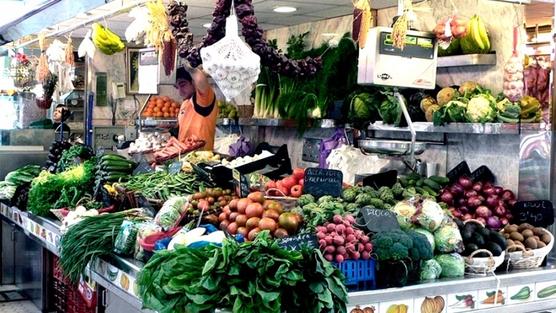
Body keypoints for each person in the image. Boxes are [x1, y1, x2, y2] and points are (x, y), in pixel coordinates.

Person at [175, 66, 218, 151]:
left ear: (193, 82)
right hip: (183, 156)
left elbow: (201, 81)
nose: (180, 91)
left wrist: (191, 68)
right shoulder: (185, 103)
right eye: (177, 87)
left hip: (202, 157)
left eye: (183, 85)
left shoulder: (204, 100)